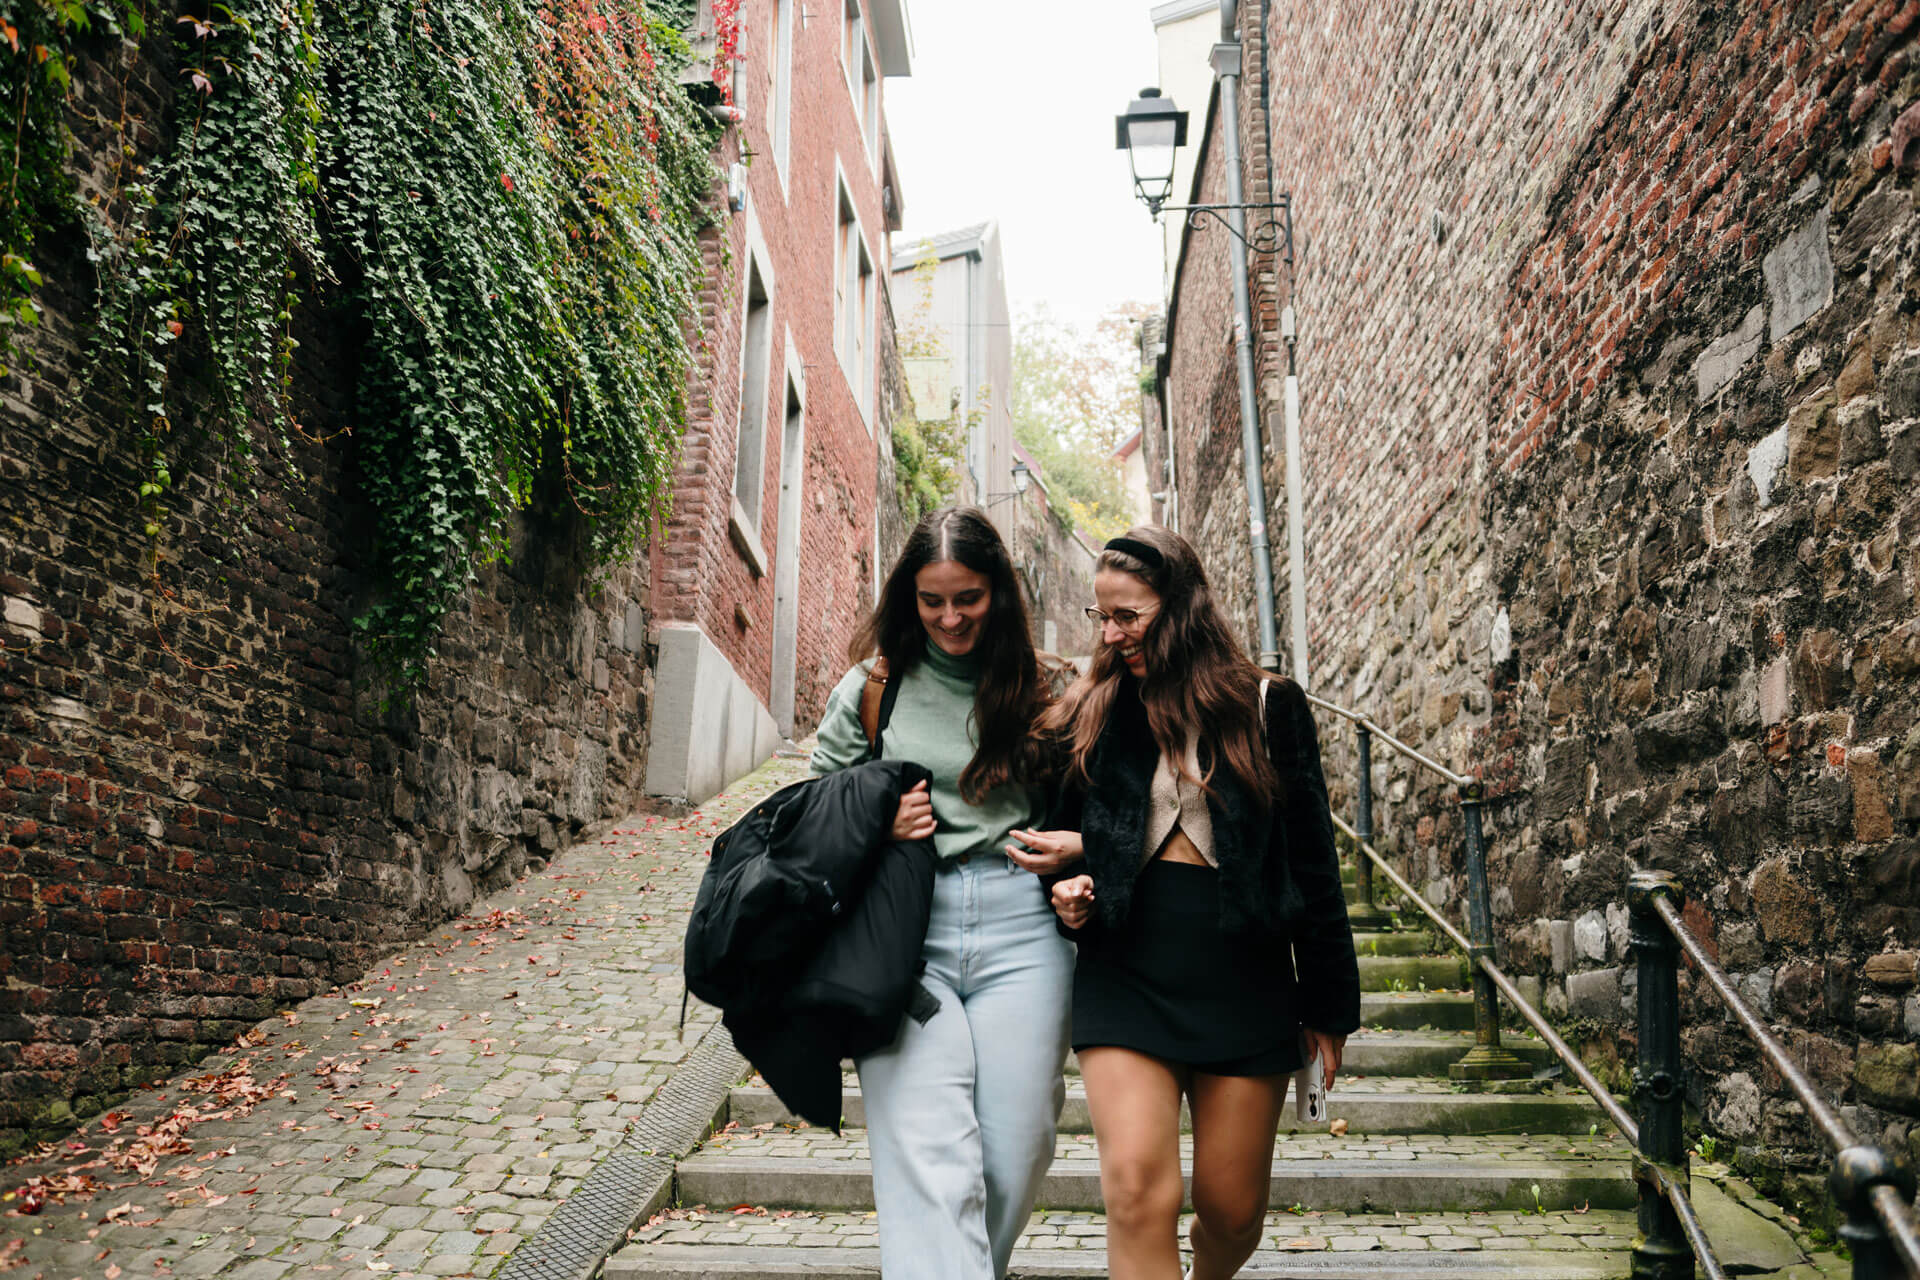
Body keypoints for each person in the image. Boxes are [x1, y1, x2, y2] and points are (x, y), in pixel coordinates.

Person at [1007, 525, 1360, 1280]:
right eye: (1103, 616)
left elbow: (1315, 866)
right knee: (1136, 1190)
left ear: (1181, 607)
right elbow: (1060, 834)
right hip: (1126, 968)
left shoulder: (1268, 706)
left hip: (1247, 977)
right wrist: (1064, 886)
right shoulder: (1095, 708)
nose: (1111, 633)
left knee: (1232, 1215)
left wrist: (1331, 1006)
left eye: (1128, 616)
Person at [810, 506, 1077, 1280]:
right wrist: (875, 817)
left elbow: (1094, 809)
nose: (951, 617)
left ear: (998, 592)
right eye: (933, 600)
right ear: (909, 597)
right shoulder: (874, 688)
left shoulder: (1048, 689)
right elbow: (811, 807)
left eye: (969, 597)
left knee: (1018, 1147)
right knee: (931, 1159)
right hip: (903, 933)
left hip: (1021, 930)